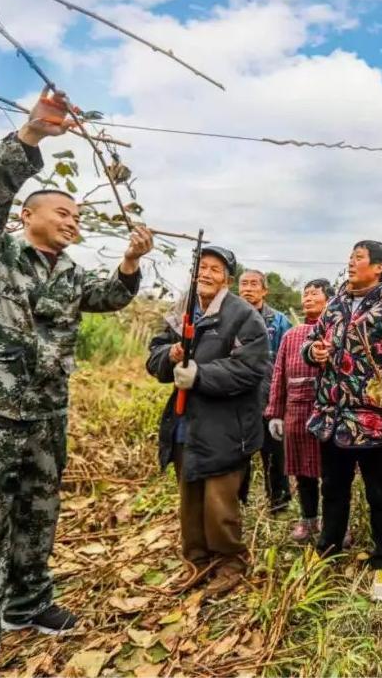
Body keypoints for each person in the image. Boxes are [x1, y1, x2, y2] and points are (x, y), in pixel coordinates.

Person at [0, 90, 154, 677]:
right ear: (28, 215)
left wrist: (130, 264)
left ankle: (26, 606)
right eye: (63, 212)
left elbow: (108, 299)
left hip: (43, 415)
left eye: (77, 218)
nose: (73, 221)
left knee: (38, 515)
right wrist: (31, 134)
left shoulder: (71, 274)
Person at [302, 241, 382, 601]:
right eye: (351, 256)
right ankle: (328, 549)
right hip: (332, 416)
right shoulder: (337, 302)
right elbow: (311, 339)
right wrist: (315, 351)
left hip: (374, 421)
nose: (351, 263)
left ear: (380, 268)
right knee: (333, 489)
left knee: (380, 495)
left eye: (359, 258)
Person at [146, 246, 269, 578]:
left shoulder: (244, 315)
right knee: (190, 496)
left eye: (216, 269)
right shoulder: (181, 309)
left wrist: (201, 375)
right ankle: (196, 561)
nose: (207, 273)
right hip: (186, 422)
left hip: (227, 426)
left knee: (219, 502)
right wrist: (170, 355)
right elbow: (153, 356)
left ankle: (230, 563)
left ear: (227, 278)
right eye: (202, 266)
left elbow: (251, 369)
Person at [265, 278, 337, 542]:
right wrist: (275, 412)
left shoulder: (337, 331)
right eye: (305, 293)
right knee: (303, 472)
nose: (307, 298)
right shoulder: (291, 335)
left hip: (330, 411)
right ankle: (308, 521)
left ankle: (336, 524)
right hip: (296, 411)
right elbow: (278, 374)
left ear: (328, 300)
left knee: (332, 473)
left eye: (314, 293)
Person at [238, 269, 293, 512]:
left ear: (264, 290)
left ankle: (278, 504)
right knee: (238, 454)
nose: (247, 289)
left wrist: (283, 400)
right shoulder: (228, 317)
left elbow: (288, 361)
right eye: (243, 284)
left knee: (274, 454)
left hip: (270, 399)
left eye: (253, 284)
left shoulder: (279, 321)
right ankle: (237, 502)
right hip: (237, 398)